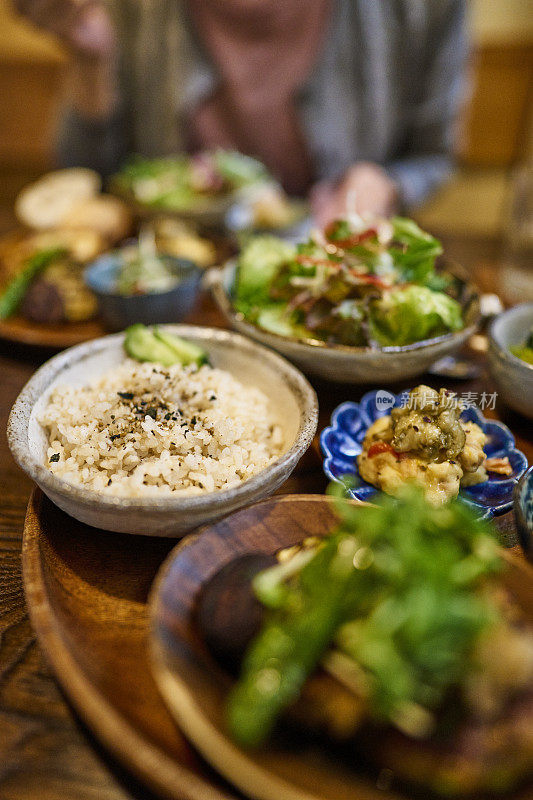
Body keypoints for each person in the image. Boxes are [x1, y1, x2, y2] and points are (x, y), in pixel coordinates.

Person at [14, 0, 468, 223]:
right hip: (172, 285)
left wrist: (386, 185)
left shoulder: (421, 9)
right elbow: (84, 174)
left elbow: (434, 156)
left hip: (331, 276)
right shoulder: (134, 9)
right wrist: (92, 60)